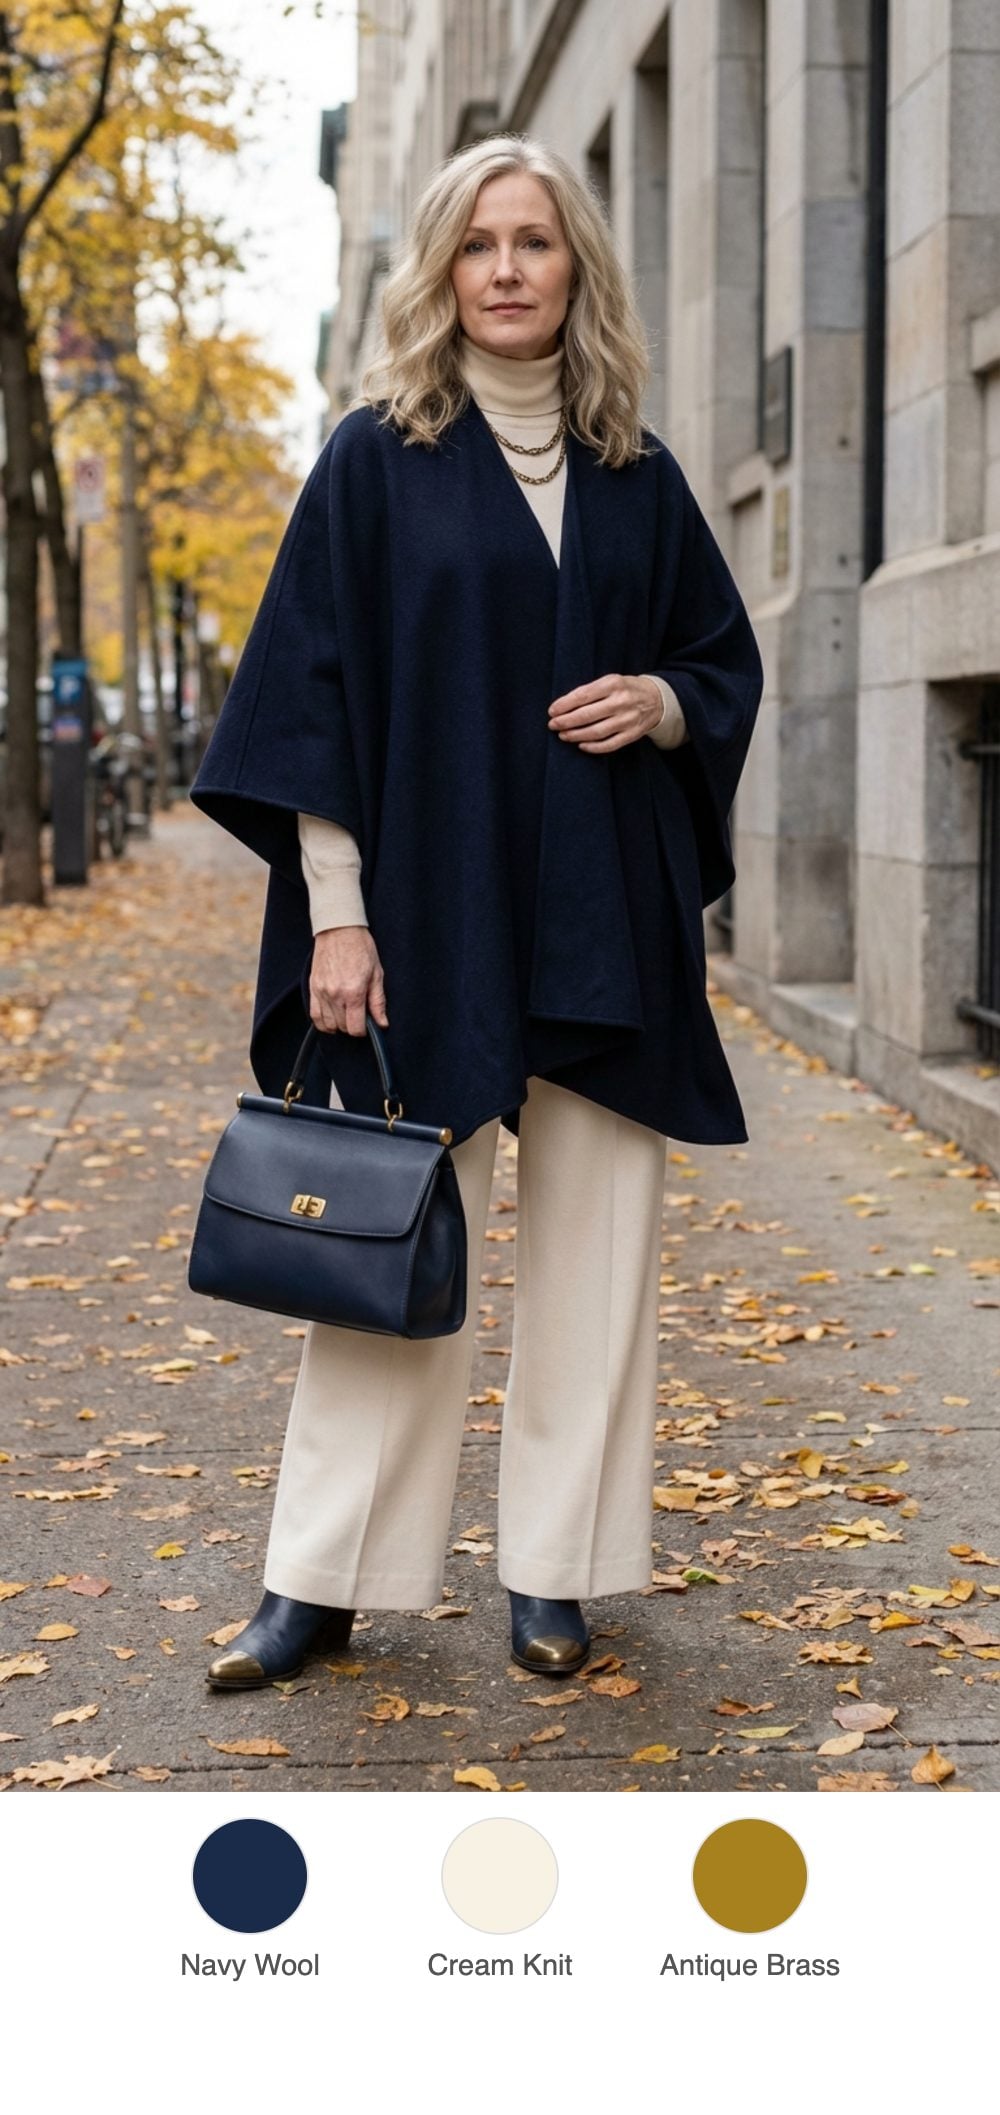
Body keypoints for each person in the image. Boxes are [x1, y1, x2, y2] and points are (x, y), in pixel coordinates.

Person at [189, 133, 764, 1691]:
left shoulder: (636, 474)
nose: (508, 269)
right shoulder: (378, 460)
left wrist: (658, 701)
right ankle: (321, 1582)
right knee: (390, 1249)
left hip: (601, 916)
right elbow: (308, 700)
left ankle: (556, 1573)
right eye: (479, 244)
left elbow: (719, 660)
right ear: (442, 271)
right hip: (426, 912)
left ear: (579, 266)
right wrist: (338, 915)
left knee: (597, 1254)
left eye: (537, 241)